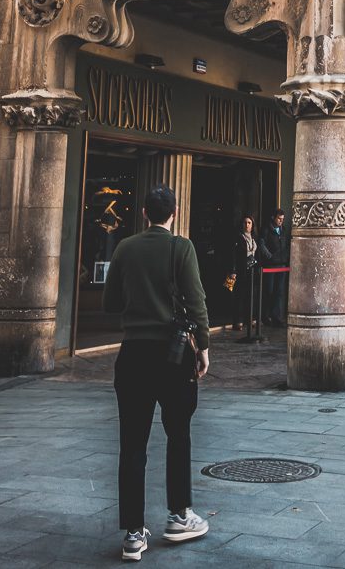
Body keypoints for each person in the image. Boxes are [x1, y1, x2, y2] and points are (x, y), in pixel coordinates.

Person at [102, 185, 210, 562]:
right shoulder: (182, 248)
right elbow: (196, 300)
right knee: (178, 434)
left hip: (133, 354)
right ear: (174, 213)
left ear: (145, 213)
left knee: (132, 442)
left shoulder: (124, 248)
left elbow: (110, 302)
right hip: (173, 353)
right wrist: (204, 346)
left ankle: (133, 533)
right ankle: (179, 515)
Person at [259, 208, 289, 326]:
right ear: (274, 217)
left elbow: (287, 245)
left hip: (282, 265)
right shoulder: (266, 229)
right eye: (279, 219)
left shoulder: (283, 230)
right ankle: (266, 316)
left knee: (279, 292)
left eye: (282, 219)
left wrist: (285, 258)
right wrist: (270, 257)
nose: (281, 221)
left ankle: (276, 317)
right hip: (270, 266)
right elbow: (261, 244)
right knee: (269, 291)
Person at [232, 214, 257, 331]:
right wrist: (233, 270)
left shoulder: (254, 237)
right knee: (240, 295)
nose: (247, 225)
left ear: (252, 225)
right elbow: (233, 256)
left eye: (249, 223)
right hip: (241, 270)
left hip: (252, 270)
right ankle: (239, 321)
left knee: (250, 295)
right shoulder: (238, 237)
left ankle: (250, 318)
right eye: (245, 223)